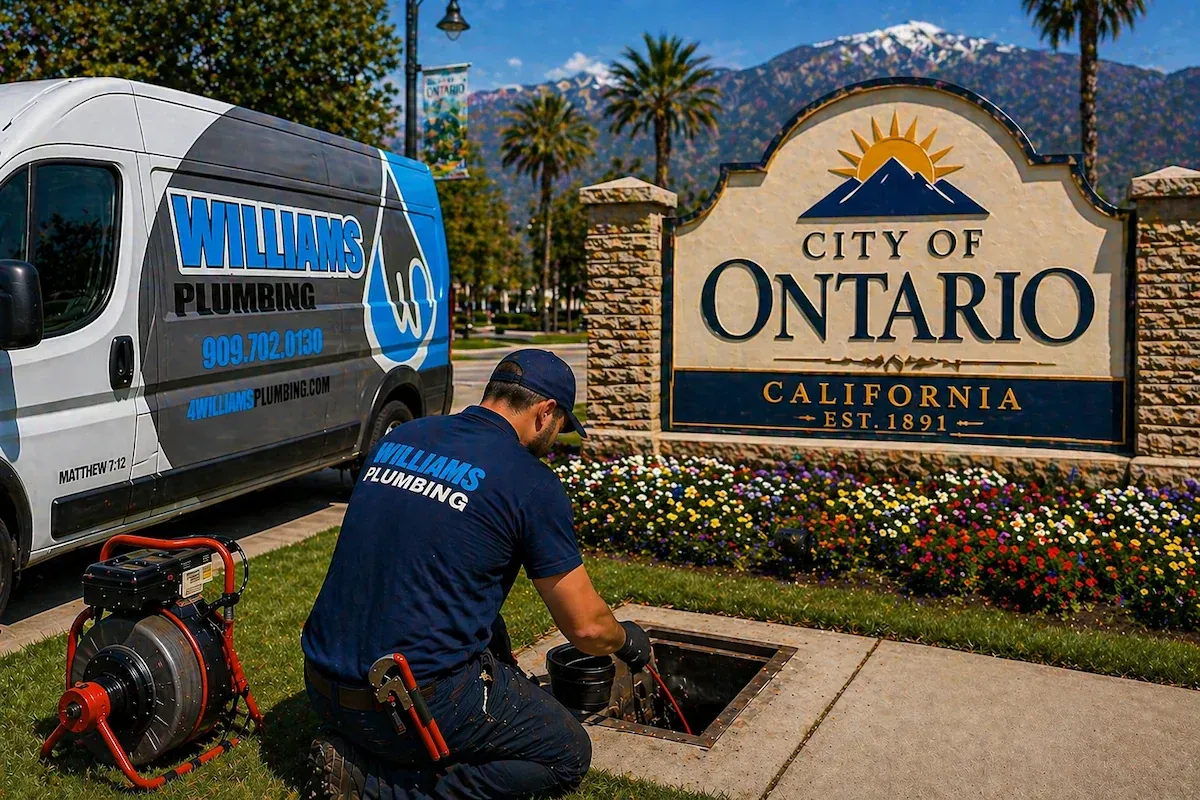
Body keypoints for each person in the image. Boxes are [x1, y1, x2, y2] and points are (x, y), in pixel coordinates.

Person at [300, 349, 653, 799]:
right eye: (561, 426)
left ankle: (355, 748)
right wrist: (625, 640)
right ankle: (371, 786)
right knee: (565, 753)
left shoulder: (404, 436)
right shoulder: (530, 481)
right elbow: (585, 627)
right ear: (546, 413)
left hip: (322, 683)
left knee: (485, 617)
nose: (555, 440)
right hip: (402, 709)